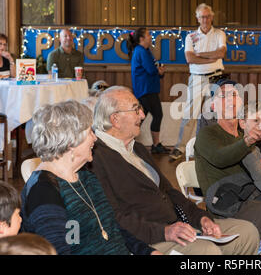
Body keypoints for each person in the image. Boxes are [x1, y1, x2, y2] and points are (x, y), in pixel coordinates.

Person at [89, 86, 259, 255]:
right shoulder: (96, 158)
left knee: (247, 233)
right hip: (149, 239)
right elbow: (113, 217)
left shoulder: (138, 149)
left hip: (180, 224)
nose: (142, 115)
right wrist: (165, 231)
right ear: (115, 120)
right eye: (136, 110)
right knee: (206, 252)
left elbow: (169, 192)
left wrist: (201, 218)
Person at [20, 100, 162, 255]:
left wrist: (147, 251)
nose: (95, 138)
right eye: (90, 132)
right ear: (71, 142)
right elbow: (59, 250)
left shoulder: (85, 176)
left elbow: (113, 227)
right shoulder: (43, 192)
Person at [194, 80, 261, 240]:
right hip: (228, 207)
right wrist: (248, 141)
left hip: (253, 199)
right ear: (212, 107)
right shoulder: (208, 134)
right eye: (223, 96)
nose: (231, 99)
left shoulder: (247, 137)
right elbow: (221, 157)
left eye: (235, 94)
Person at [170, 3, 227, 161]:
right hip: (196, 77)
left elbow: (221, 53)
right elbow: (189, 58)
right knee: (190, 114)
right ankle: (179, 148)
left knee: (212, 114)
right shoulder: (190, 37)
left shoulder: (219, 34)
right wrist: (211, 56)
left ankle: (210, 147)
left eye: (208, 16)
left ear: (212, 17)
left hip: (215, 77)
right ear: (197, 18)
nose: (205, 19)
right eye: (202, 16)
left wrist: (200, 55)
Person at [126, 28, 169, 154]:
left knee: (140, 118)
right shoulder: (141, 51)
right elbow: (151, 69)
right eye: (148, 35)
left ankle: (128, 142)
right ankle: (155, 145)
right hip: (146, 90)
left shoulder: (145, 51)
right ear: (141, 39)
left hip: (147, 89)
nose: (151, 37)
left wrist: (159, 71)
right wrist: (159, 70)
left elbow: (153, 69)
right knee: (155, 115)